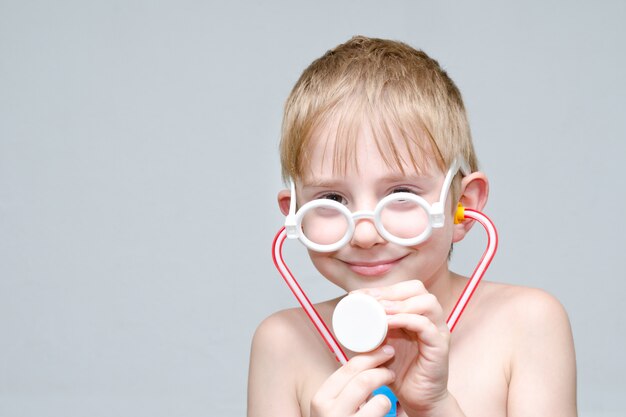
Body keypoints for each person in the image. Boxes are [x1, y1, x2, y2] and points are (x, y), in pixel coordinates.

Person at [247, 36, 577, 417]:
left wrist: (436, 407)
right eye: (332, 200)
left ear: (461, 207)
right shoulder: (283, 343)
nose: (365, 235)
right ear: (294, 213)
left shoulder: (527, 324)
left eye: (401, 194)